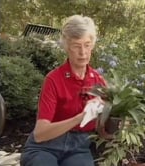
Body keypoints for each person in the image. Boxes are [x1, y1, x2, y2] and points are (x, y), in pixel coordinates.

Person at [20, 15, 107, 166]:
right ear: (67, 47)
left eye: (87, 45)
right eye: (76, 46)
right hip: (45, 147)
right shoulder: (53, 80)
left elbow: (102, 132)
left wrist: (119, 124)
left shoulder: (98, 81)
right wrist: (80, 118)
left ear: (92, 45)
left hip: (78, 148)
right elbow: (40, 134)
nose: (83, 52)